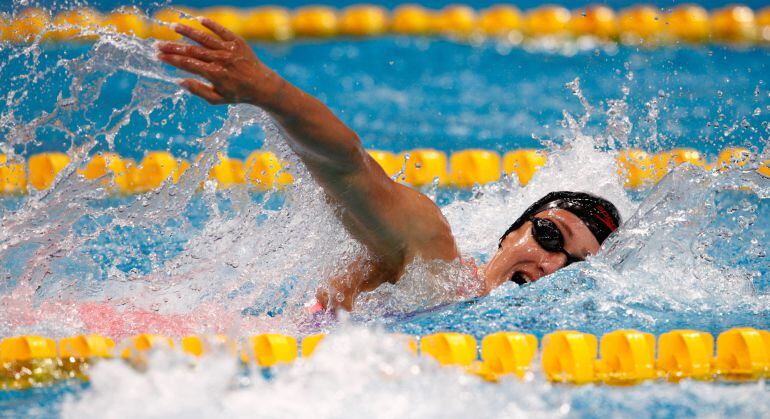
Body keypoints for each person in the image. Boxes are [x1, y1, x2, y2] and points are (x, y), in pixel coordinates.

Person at [155, 18, 622, 312]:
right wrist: (268, 91)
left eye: (574, 265)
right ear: (512, 232)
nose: (550, 263)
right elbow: (349, 167)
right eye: (548, 234)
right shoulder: (432, 259)